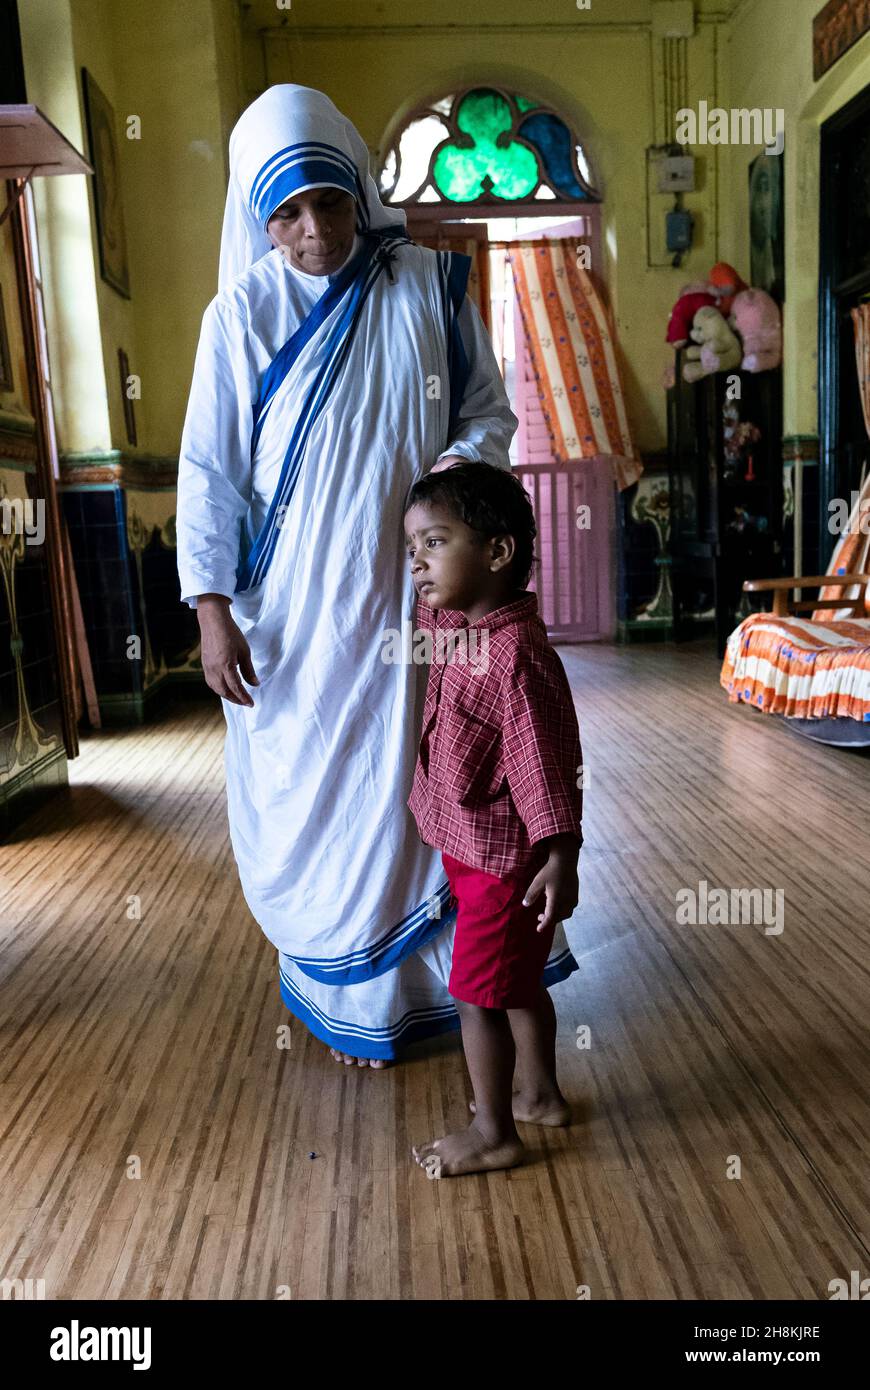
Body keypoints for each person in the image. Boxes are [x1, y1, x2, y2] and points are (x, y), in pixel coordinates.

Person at [175, 84, 580, 1068]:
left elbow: (488, 412)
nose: (313, 230)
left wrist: (447, 480)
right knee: (329, 780)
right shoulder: (238, 317)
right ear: (260, 218)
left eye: (330, 200)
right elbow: (209, 471)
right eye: (287, 212)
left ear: (360, 189)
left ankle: (457, 985)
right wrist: (212, 610)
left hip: (419, 590)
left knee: (433, 766)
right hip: (301, 616)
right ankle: (352, 994)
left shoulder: (427, 286)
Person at [404, 463, 583, 1175]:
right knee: (517, 983)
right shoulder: (460, 624)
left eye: (435, 543)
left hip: (507, 866)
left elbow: (546, 764)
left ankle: (494, 1132)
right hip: (474, 848)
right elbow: (429, 608)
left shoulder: (515, 656)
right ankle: (540, 1094)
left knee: (476, 997)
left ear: (498, 552)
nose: (416, 561)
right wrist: (431, 562)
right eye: (410, 546)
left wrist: (559, 852)